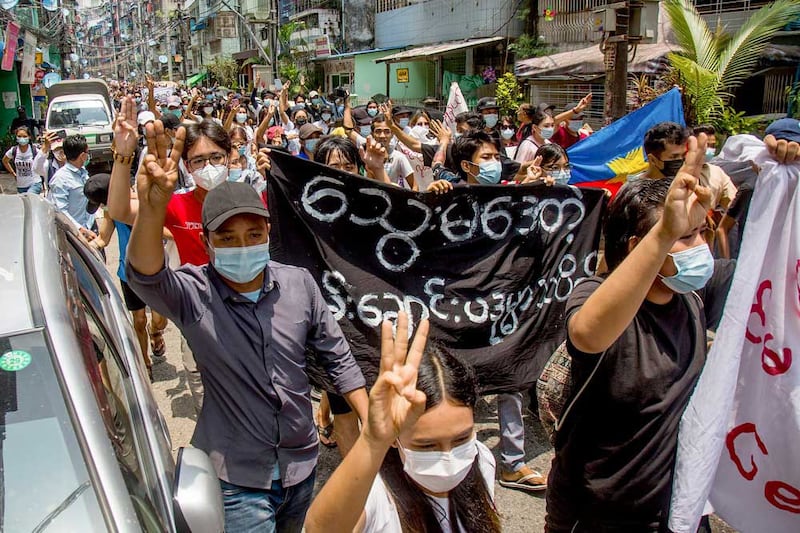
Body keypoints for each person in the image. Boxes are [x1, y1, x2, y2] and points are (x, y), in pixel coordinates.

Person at [125, 139, 369, 531]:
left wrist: (373, 419)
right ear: (207, 243)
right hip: (237, 479)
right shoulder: (193, 293)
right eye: (228, 239)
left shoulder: (299, 285)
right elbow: (144, 275)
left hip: (301, 466)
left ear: (268, 234)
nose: (243, 246)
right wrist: (153, 208)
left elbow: (337, 357)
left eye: (254, 235)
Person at [545, 134, 737, 532]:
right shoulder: (594, 296)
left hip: (682, 513)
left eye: (700, 232)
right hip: (602, 518)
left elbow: (772, 273)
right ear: (638, 247)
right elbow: (588, 333)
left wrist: (785, 181)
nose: (700, 246)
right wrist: (666, 231)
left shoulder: (693, 299)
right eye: (686, 236)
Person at [305, 312, 501, 533]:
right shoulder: (375, 496)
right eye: (427, 446)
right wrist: (372, 441)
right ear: (395, 440)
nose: (448, 458)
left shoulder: (482, 460)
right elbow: (319, 529)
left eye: (461, 439)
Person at [82, 173, 168, 381]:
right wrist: (80, 243)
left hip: (156, 270)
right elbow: (102, 239)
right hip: (128, 273)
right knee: (138, 320)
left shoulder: (146, 201)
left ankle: (156, 332)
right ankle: (145, 363)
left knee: (160, 319)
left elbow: (167, 231)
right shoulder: (112, 212)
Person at [642, 122, 737, 210]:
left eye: (684, 155)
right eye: (674, 157)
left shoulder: (690, 185)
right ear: (653, 160)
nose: (681, 161)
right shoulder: (636, 193)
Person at [49, 134, 95, 229]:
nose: (88, 155)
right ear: (82, 156)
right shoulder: (61, 179)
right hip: (72, 232)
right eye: (87, 152)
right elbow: (60, 211)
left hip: (88, 227)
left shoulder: (83, 173)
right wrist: (80, 230)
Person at [3, 126, 42, 194]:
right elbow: (5, 161)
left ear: (29, 137)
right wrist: (13, 173)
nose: (22, 139)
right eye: (19, 136)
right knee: (25, 203)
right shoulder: (13, 150)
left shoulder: (35, 150)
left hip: (34, 183)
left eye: (24, 136)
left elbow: (43, 162)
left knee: (29, 196)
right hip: (21, 185)